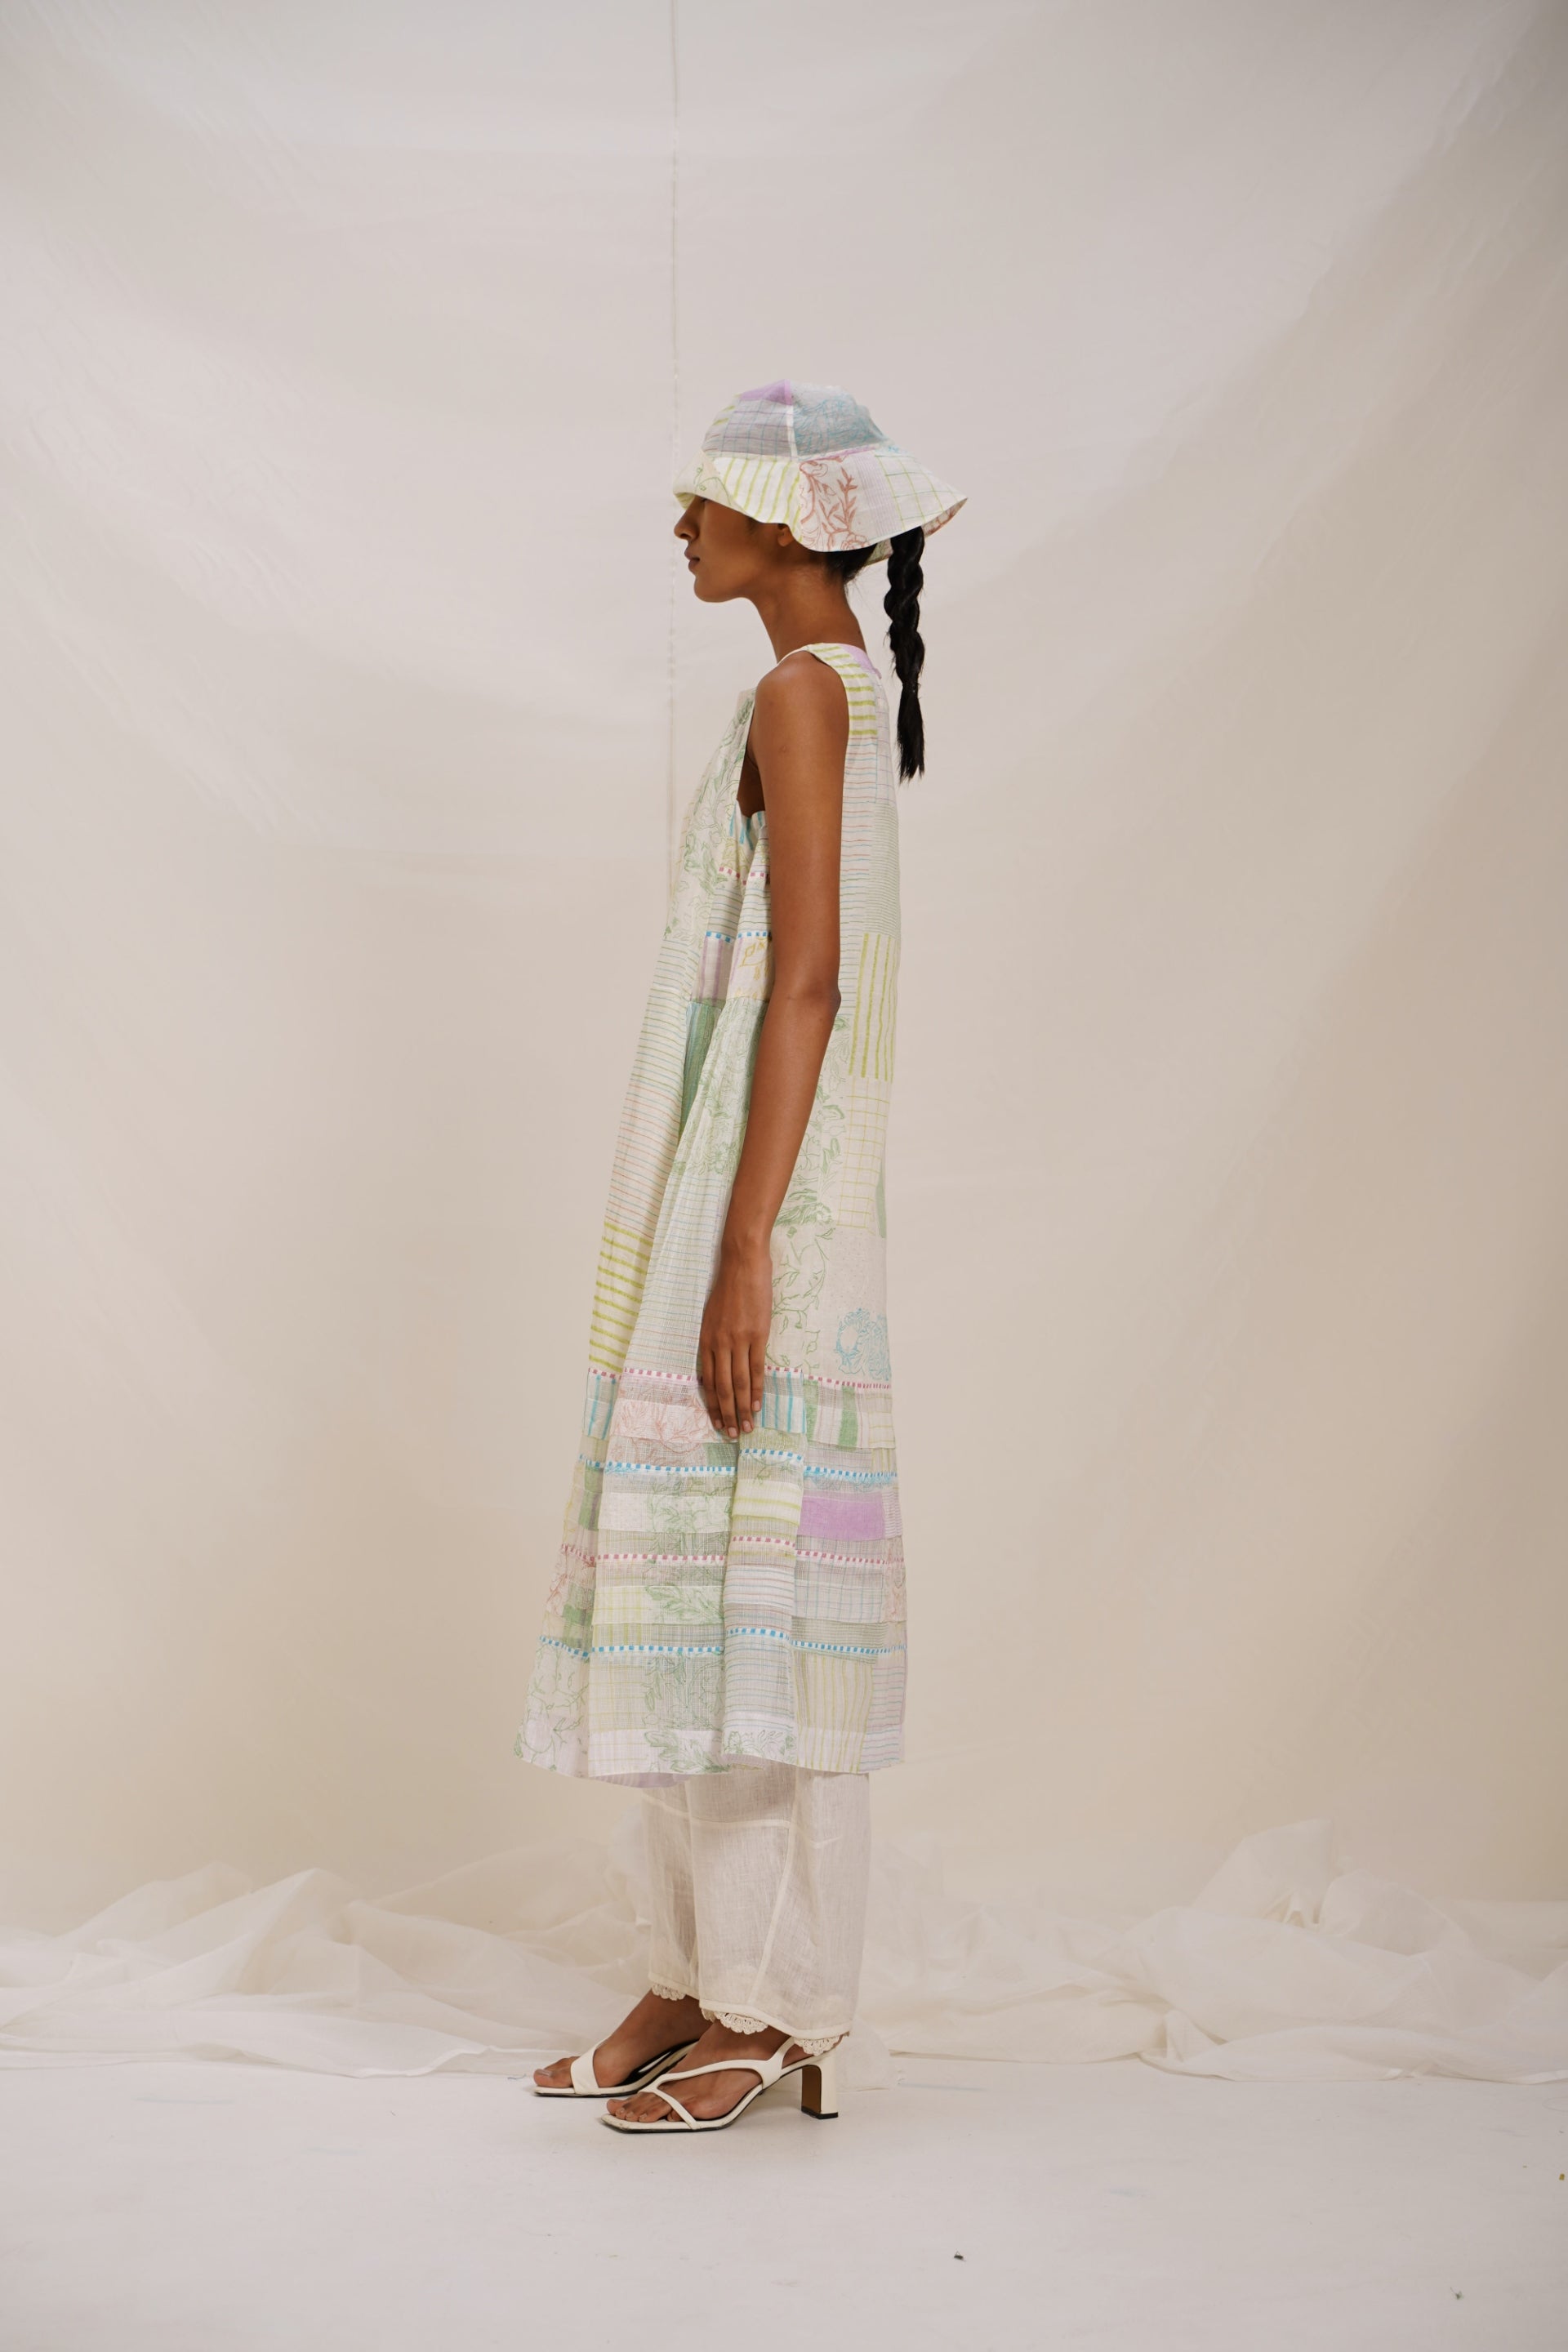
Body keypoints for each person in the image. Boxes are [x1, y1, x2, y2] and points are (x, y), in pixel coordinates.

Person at [518, 381, 964, 2133]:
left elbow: (810, 979)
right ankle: (693, 1974)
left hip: (772, 1191)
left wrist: (748, 1248)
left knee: (756, 1581)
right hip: (745, 1174)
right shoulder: (812, 687)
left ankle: (777, 2008)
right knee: (699, 1564)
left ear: (781, 522)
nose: (680, 527)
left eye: (700, 500)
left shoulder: (803, 689)